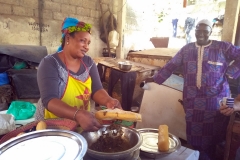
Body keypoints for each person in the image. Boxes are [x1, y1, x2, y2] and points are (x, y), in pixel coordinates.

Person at [145, 19, 240, 160]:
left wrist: (231, 71)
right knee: (194, 137)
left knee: (214, 137)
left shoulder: (222, 47)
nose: (201, 34)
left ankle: (210, 155)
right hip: (192, 102)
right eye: (198, 31)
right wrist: (154, 78)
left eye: (205, 31)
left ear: (210, 32)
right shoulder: (187, 49)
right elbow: (171, 65)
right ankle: (198, 155)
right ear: (194, 31)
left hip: (216, 101)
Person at [35, 17, 121, 132]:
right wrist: (78, 114)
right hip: (52, 127)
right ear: (68, 38)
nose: (87, 46)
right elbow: (49, 100)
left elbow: (97, 90)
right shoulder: (50, 63)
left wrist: (108, 100)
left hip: (81, 124)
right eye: (82, 41)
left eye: (88, 42)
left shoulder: (88, 62)